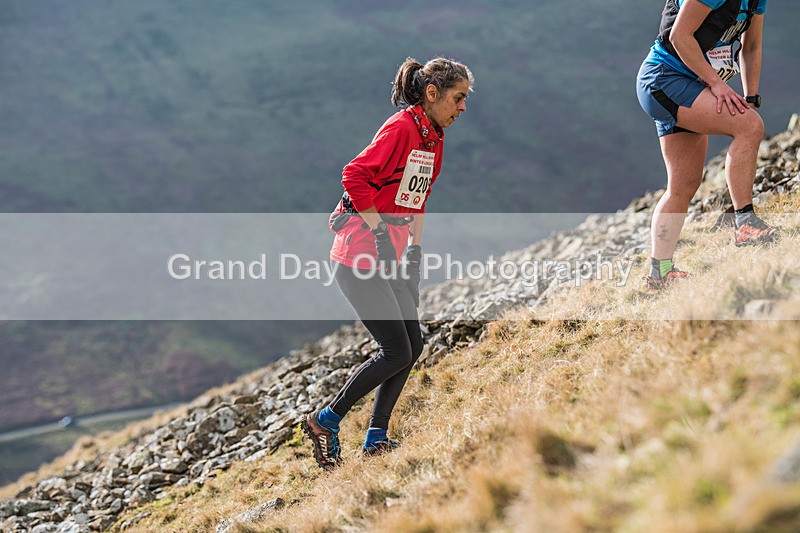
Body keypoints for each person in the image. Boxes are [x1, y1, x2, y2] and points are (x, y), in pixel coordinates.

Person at [303, 57, 473, 470]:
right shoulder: (401, 128)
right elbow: (353, 175)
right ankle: (325, 420)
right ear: (432, 94)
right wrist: (379, 232)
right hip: (359, 254)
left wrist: (414, 251)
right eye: (458, 98)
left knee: (411, 347)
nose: (463, 108)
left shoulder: (433, 135)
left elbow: (417, 197)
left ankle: (376, 437)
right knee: (395, 349)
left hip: (393, 254)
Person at [636, 0, 776, 290]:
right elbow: (679, 36)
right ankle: (746, 223)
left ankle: (660, 272)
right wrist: (718, 84)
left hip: (685, 83)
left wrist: (750, 97)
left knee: (684, 185)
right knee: (750, 126)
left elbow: (751, 47)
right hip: (665, 79)